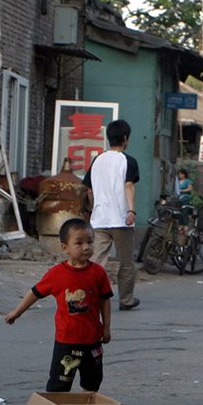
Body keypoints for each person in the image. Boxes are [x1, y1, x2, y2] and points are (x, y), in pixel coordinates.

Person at [5, 218, 113, 392]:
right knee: (59, 384)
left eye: (90, 242)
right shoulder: (57, 274)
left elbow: (105, 300)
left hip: (93, 340)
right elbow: (35, 293)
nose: (86, 247)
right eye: (79, 243)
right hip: (67, 341)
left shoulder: (98, 273)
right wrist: (17, 312)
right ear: (65, 247)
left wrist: (106, 328)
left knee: (92, 382)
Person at [83, 119, 140, 311]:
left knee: (96, 261)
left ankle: (88, 298)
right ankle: (126, 300)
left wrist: (94, 208)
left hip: (99, 220)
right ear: (125, 138)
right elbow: (129, 185)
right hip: (122, 221)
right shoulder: (128, 161)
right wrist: (131, 210)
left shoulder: (97, 160)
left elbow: (90, 190)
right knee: (126, 262)